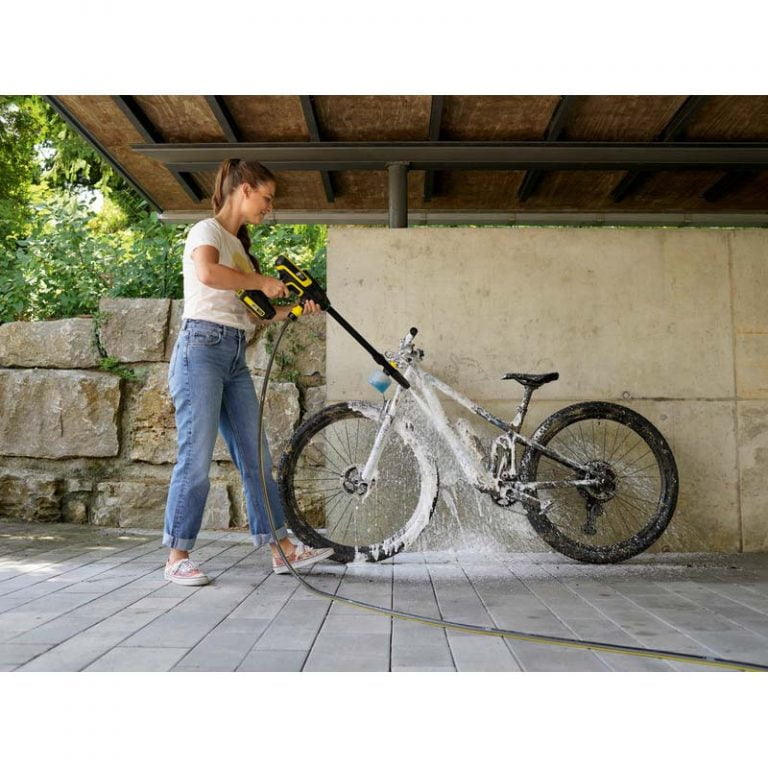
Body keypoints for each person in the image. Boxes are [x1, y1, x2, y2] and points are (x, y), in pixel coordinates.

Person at [163, 158, 333, 586]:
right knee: (195, 457)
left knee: (257, 457)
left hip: (233, 355)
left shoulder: (239, 249)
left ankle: (281, 548)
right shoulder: (207, 231)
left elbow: (257, 314)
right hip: (200, 351)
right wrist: (259, 281)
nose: (269, 208)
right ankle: (177, 556)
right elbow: (207, 273)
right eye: (266, 198)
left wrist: (297, 308)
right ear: (244, 190)